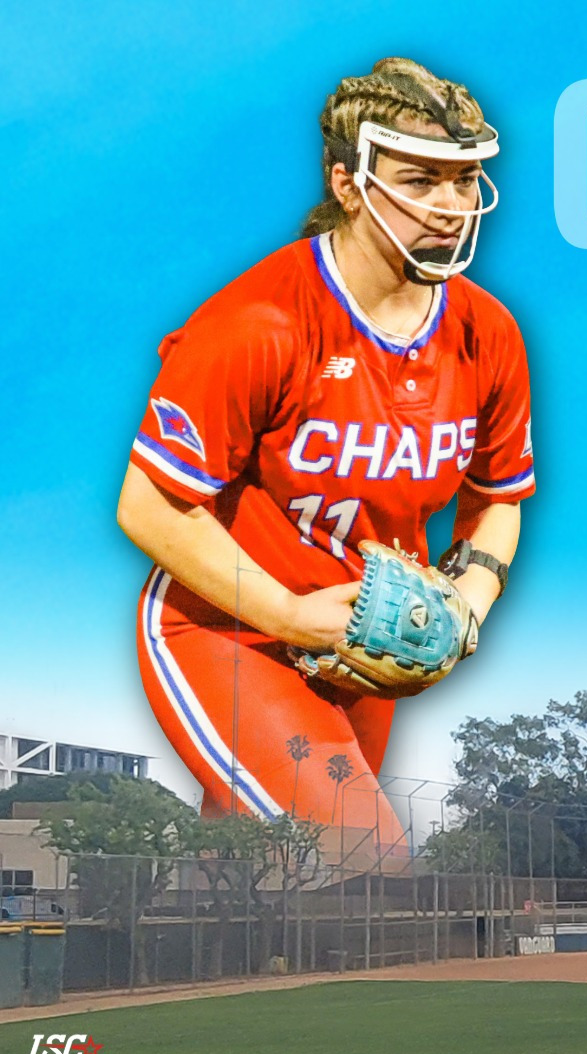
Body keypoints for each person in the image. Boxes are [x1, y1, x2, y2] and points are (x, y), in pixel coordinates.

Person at [117, 58, 533, 858]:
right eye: (422, 179)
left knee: (260, 877)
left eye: (463, 180)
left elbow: (498, 494)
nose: (449, 207)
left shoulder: (488, 333)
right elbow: (148, 503)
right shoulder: (261, 322)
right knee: (362, 857)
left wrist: (467, 610)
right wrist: (286, 614)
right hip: (230, 631)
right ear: (349, 184)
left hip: (367, 642)